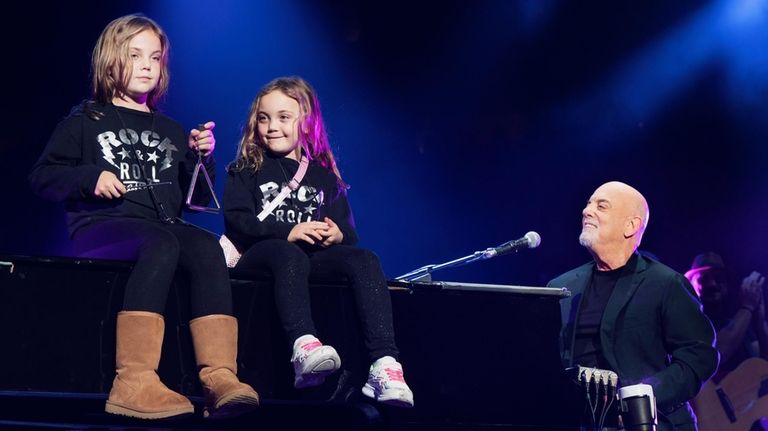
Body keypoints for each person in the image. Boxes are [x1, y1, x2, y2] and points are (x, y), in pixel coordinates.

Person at [28, 14, 259, 419]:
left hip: (160, 227)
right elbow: (42, 177)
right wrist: (90, 176)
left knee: (206, 246)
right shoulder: (85, 120)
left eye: (155, 57)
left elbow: (195, 200)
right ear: (111, 60)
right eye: (135, 55)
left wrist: (199, 159)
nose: (147, 65)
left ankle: (219, 375)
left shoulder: (169, 128)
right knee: (161, 242)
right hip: (102, 228)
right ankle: (133, 380)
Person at [222, 76, 413, 408]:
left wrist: (337, 233)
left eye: (284, 117)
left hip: (308, 260)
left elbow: (349, 232)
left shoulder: (324, 175)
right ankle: (304, 346)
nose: (271, 126)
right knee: (288, 252)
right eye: (264, 118)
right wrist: (288, 233)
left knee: (365, 259)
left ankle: (385, 365)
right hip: (262, 255)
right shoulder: (246, 168)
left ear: (306, 123)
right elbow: (237, 221)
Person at [547, 181, 718, 430]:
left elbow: (699, 356)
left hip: (645, 423)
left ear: (631, 226)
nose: (587, 211)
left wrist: (644, 395)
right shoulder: (561, 286)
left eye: (601, 206)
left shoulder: (665, 283)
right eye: (588, 204)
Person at [684, 252, 767, 375]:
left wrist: (760, 320)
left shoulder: (738, 325)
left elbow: (763, 361)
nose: (712, 284)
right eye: (704, 279)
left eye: (719, 278)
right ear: (690, 285)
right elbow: (717, 354)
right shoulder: (685, 324)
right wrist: (748, 307)